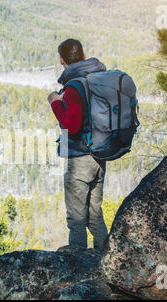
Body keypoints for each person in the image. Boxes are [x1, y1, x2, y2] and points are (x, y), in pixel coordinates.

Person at [47, 39, 108, 253]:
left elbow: (70, 125)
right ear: (83, 56)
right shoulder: (97, 78)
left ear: (62, 61)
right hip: (100, 154)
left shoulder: (73, 86)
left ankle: (78, 268)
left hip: (80, 159)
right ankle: (105, 258)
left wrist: (54, 101)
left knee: (76, 218)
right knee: (95, 214)